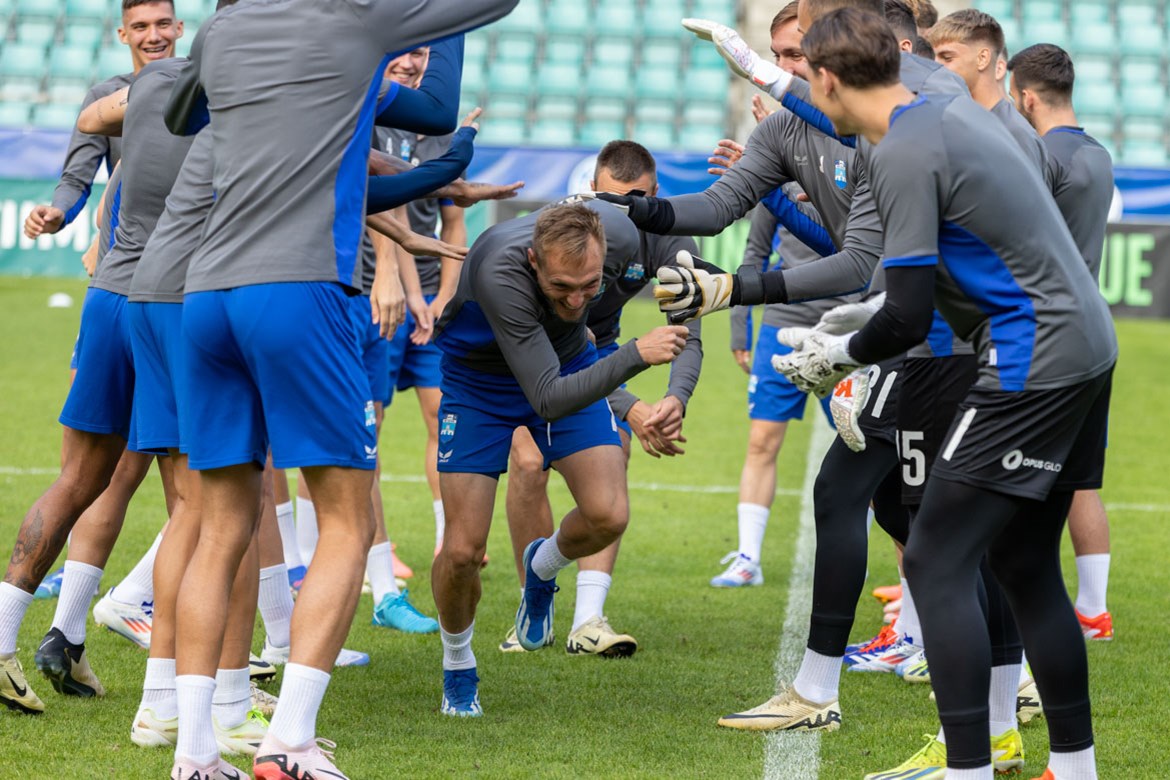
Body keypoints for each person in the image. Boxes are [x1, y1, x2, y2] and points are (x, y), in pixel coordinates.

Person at [161, 1, 518, 776]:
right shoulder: (355, 26)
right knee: (345, 522)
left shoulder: (224, 27)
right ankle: (287, 743)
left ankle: (193, 754)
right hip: (298, 290)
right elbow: (445, 99)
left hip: (207, 294)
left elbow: (184, 111)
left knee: (220, 526)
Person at [776, 10, 1115, 779]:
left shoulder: (902, 149)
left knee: (934, 560)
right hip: (1083, 345)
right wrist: (853, 327)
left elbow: (907, 315)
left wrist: (836, 356)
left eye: (803, 70)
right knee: (1024, 565)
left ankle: (967, 769)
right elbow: (927, 285)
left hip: (1038, 354)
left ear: (827, 79)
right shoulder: (944, 115)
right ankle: (1076, 767)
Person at [430, 201, 688, 715]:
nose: (575, 300)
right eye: (559, 288)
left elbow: (591, 323)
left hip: (566, 365)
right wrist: (633, 355)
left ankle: (541, 567)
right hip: (480, 382)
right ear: (532, 261)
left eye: (587, 286)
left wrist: (593, 335)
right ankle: (458, 665)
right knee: (461, 551)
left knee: (608, 514)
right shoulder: (500, 269)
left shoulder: (618, 234)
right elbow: (547, 397)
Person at [501, 141, 702, 657]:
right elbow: (548, 353)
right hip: (533, 356)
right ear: (591, 193)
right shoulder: (562, 227)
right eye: (610, 199)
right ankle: (533, 606)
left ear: (655, 194)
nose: (623, 211)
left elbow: (687, 328)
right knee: (528, 464)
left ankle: (588, 619)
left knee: (617, 452)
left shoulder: (670, 236)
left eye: (635, 199)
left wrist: (674, 399)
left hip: (602, 355)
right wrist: (631, 406)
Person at [1008, 42, 1116, 641]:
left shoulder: (1040, 154)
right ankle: (1093, 610)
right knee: (1078, 478)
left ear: (1025, 96)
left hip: (1041, 338)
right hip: (1093, 331)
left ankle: (1023, 609)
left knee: (1018, 484)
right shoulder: (1097, 153)